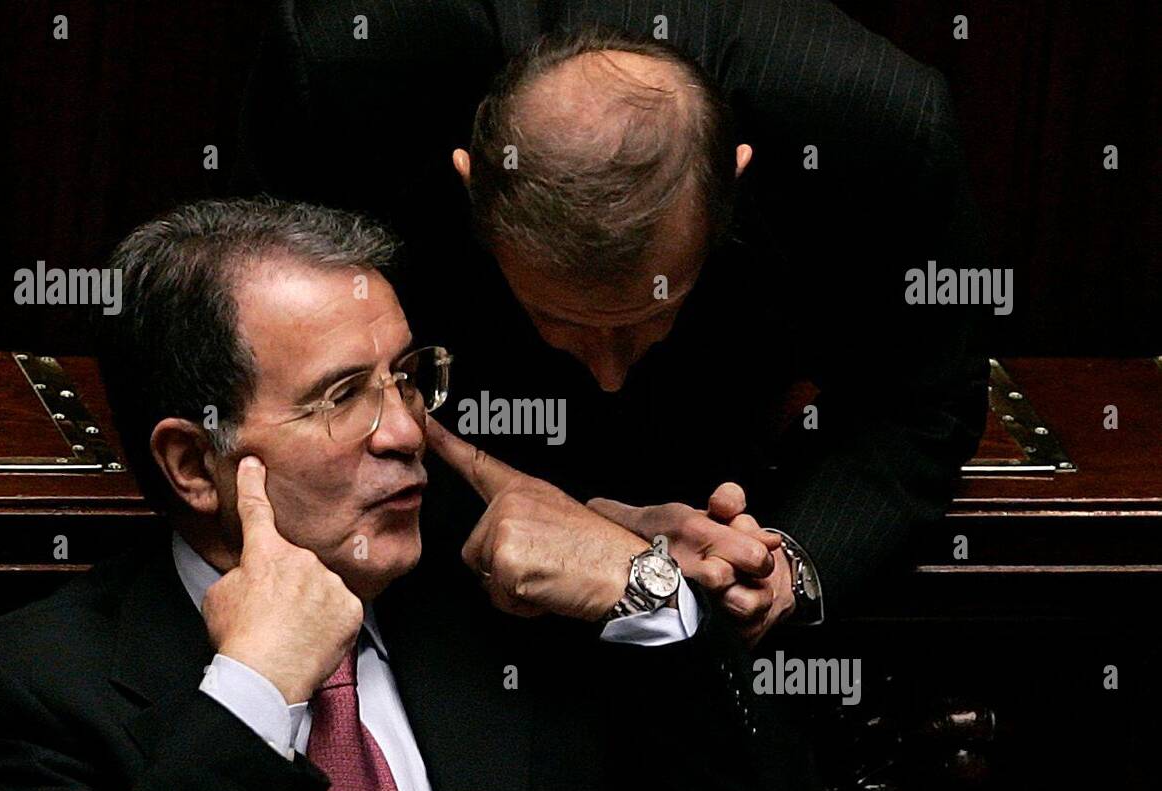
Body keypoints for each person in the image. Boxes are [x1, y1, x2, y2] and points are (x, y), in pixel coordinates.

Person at [0, 197, 838, 791]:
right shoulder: (20, 696)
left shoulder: (512, 619)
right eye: (341, 396)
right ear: (196, 464)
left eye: (405, 376)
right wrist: (254, 693)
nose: (406, 431)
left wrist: (657, 604)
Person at [233, 4, 991, 644]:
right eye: (557, 319)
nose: (608, 373)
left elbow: (918, 399)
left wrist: (784, 565)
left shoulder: (868, 122)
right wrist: (491, 500)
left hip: (728, 497)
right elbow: (267, 374)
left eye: (648, 317)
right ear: (468, 182)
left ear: (733, 175)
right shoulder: (348, 73)